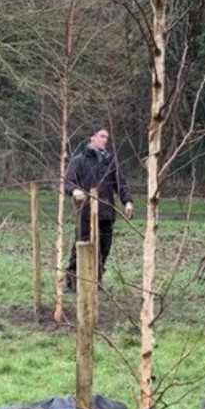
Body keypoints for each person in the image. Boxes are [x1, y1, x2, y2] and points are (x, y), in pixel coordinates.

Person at [63, 124, 133, 290]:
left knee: (104, 249)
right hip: (85, 213)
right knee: (81, 246)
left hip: (106, 213)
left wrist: (127, 201)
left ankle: (96, 281)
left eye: (107, 137)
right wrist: (74, 191)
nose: (105, 140)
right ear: (92, 138)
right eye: (102, 136)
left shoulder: (110, 162)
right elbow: (68, 182)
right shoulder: (79, 160)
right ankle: (72, 282)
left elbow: (120, 183)